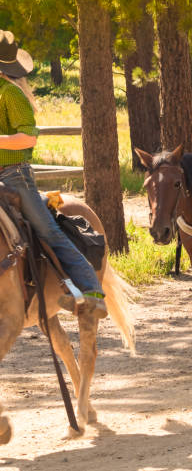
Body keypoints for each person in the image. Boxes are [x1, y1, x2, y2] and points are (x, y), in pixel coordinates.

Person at [0, 30, 107, 318]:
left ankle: (92, 292)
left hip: (13, 176)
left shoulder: (11, 94)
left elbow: (28, 139)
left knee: (49, 232)